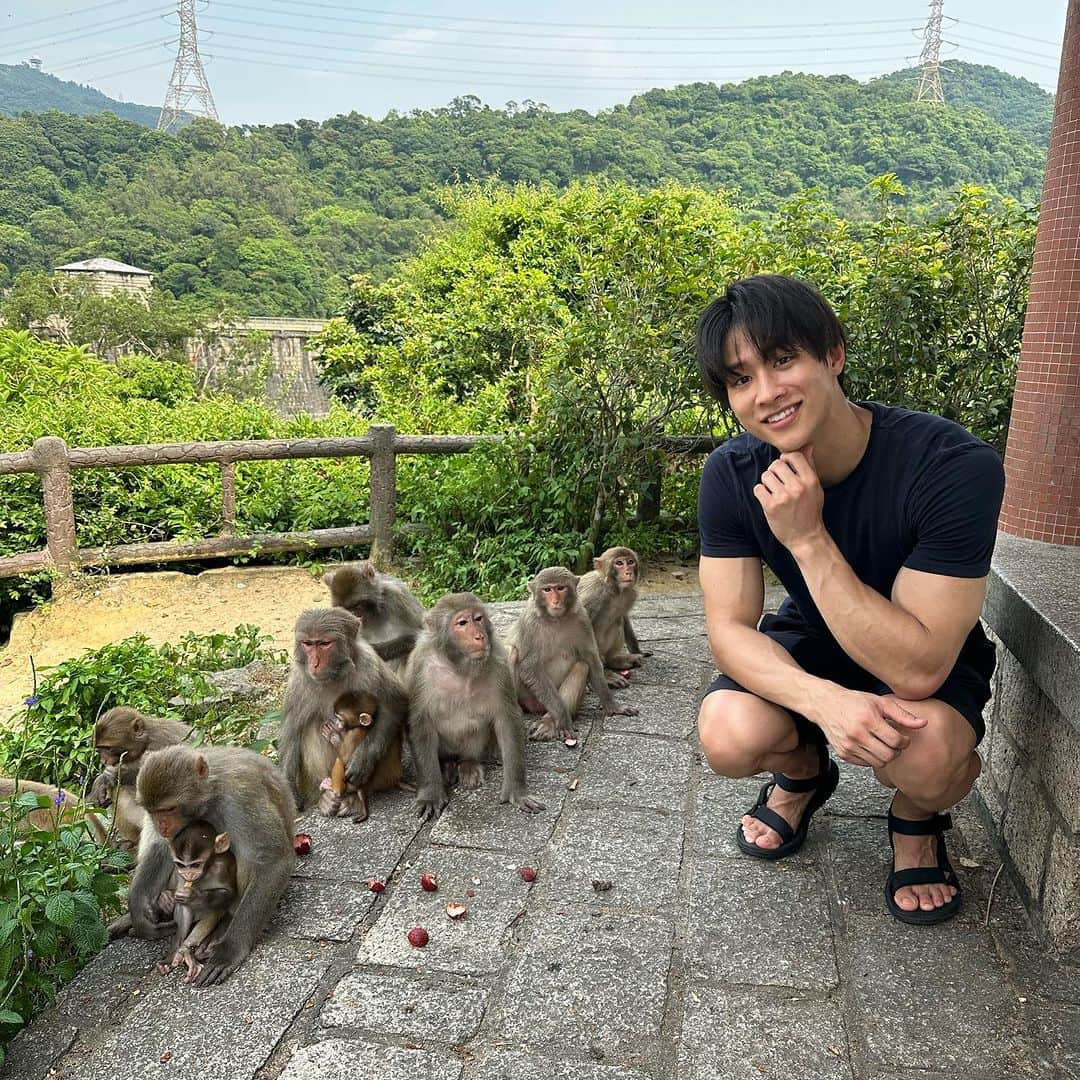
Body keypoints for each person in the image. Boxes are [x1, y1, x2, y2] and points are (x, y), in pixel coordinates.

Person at [695, 274, 1004, 925]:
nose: (766, 394)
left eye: (783, 360)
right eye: (740, 378)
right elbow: (728, 629)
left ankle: (917, 818)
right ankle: (806, 773)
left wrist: (808, 540)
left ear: (832, 354)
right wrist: (826, 704)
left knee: (928, 757)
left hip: (926, 656)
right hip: (812, 641)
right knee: (726, 732)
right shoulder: (731, 474)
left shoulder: (951, 466)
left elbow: (918, 667)